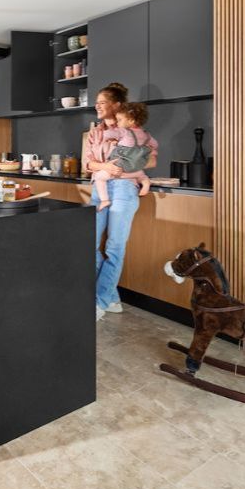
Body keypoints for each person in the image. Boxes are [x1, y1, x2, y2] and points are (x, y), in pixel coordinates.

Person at [84, 83, 158, 320]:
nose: (97, 106)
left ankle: (99, 301)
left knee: (115, 247)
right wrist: (106, 166)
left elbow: (151, 160)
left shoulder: (134, 130)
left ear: (117, 106)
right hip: (100, 186)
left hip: (125, 189)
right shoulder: (95, 132)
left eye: (102, 102)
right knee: (89, 244)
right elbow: (88, 164)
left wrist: (124, 170)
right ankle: (111, 296)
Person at [91, 102, 155, 212]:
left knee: (99, 177)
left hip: (120, 168)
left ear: (131, 121)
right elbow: (154, 145)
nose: (117, 123)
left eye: (119, 120)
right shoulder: (146, 134)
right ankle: (145, 181)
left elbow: (107, 135)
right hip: (135, 168)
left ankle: (105, 200)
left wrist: (110, 136)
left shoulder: (123, 131)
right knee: (140, 174)